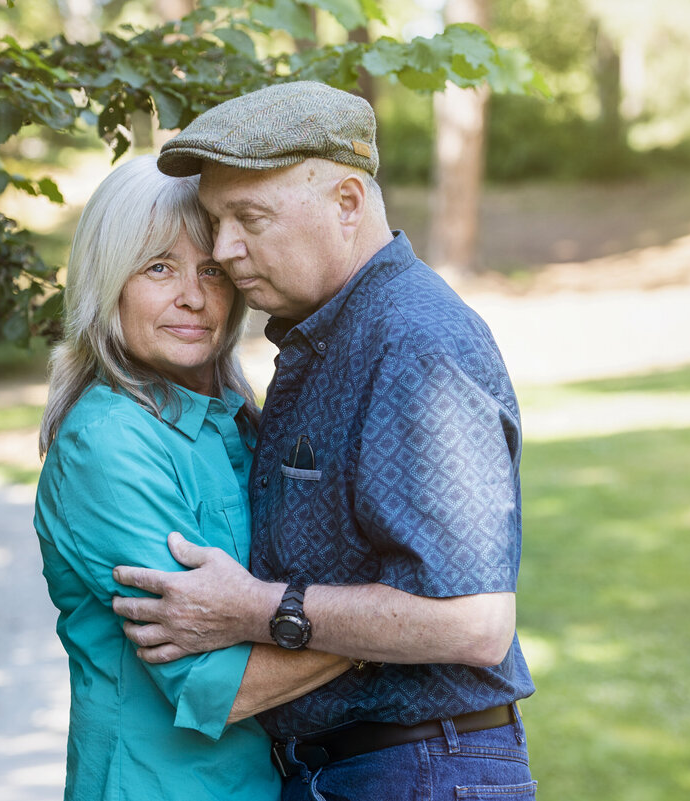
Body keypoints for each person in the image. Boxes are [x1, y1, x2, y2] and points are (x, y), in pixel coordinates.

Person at [111, 82, 538, 800]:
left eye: (249, 217)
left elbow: (475, 620)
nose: (224, 249)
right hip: (353, 771)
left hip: (421, 770)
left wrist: (253, 608)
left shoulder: (413, 342)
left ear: (347, 202)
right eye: (216, 220)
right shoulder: (327, 338)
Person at [32, 154, 351, 801]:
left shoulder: (234, 418)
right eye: (158, 267)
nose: (193, 295)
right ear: (108, 280)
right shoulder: (109, 442)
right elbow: (217, 683)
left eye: (211, 268)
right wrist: (398, 625)